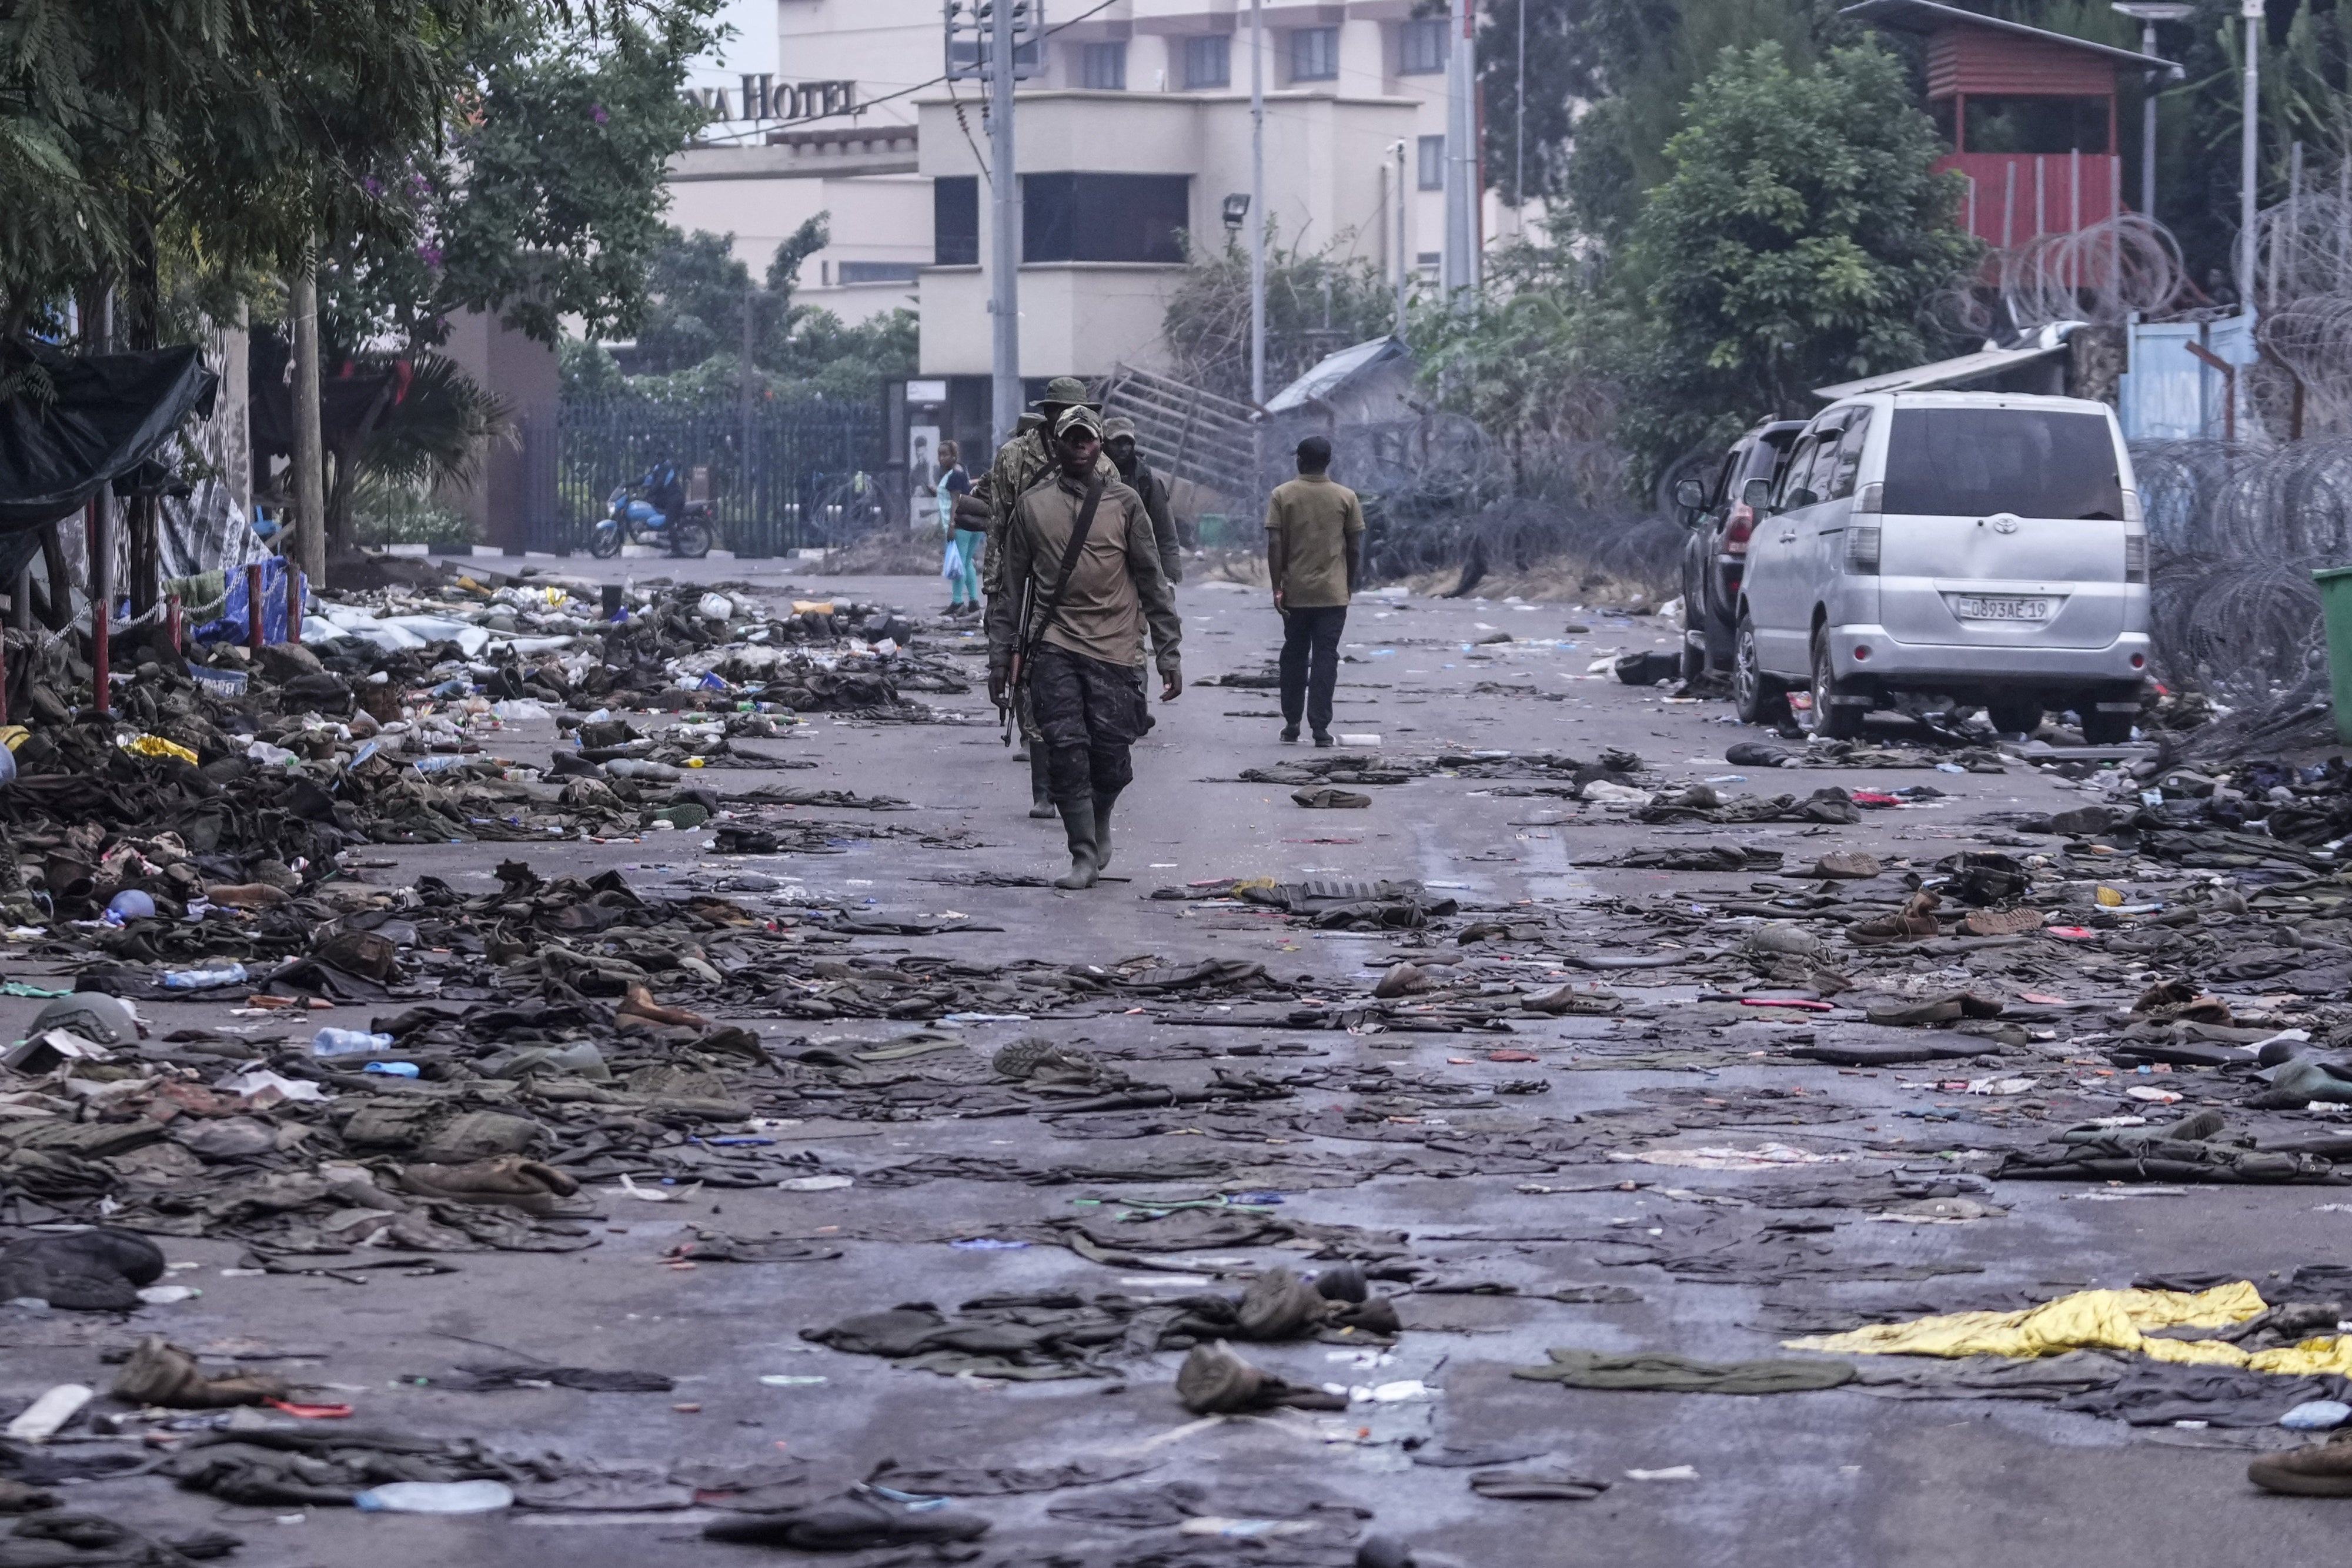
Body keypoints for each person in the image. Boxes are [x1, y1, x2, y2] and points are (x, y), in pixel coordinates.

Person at [988, 405, 1182, 890]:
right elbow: (1011, 589)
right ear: (1055, 444)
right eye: (1069, 438)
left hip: (1116, 647)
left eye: (1086, 439)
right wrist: (999, 657)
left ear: (1098, 446)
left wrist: (1168, 652)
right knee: (1065, 746)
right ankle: (1081, 853)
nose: (1078, 445)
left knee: (1111, 755)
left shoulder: (1126, 504)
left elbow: (1152, 580)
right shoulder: (1031, 508)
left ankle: (1100, 822)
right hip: (1055, 643)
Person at [970, 376, 1121, 817]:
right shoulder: (1013, 456)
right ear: (1049, 414)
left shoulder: (1102, 464)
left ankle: (1076, 781)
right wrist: (998, 589)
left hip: (1085, 588)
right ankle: (1044, 789)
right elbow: (998, 524)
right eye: (1061, 413)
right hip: (1029, 580)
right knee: (1031, 678)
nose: (1071, 422)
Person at [1263, 434, 1365, 747]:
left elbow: (1275, 543)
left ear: (1300, 460)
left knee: (1293, 656)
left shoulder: (1283, 495)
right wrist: (1347, 584)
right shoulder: (1346, 497)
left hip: (1296, 594)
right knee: (1326, 658)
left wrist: (1277, 587)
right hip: (1333, 595)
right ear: (1328, 462)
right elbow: (1355, 547)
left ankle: (1292, 723)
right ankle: (1320, 727)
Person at [1103, 416, 1182, 586]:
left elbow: (1166, 533)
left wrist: (1169, 578)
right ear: (1104, 444)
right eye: (1117, 443)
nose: (1124, 449)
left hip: (1140, 571)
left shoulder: (1149, 483)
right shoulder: (1092, 478)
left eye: (1128, 443)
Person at [936, 441, 979, 615]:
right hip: (973, 523)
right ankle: (974, 602)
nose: (941, 459)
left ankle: (957, 602)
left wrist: (952, 525)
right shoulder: (961, 471)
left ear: (954, 456)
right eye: (939, 455)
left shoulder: (954, 475)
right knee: (967, 562)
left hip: (960, 525)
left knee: (958, 564)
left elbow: (956, 501)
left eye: (945, 455)